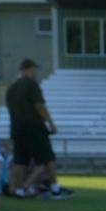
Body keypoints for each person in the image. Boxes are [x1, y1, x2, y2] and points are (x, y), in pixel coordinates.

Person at [5, 59, 71, 198]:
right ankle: (55, 189)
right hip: (34, 127)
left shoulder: (11, 88)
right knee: (48, 158)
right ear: (29, 69)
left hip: (17, 128)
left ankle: (19, 190)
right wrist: (50, 123)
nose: (35, 72)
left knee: (20, 160)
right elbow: (39, 106)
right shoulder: (31, 85)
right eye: (34, 69)